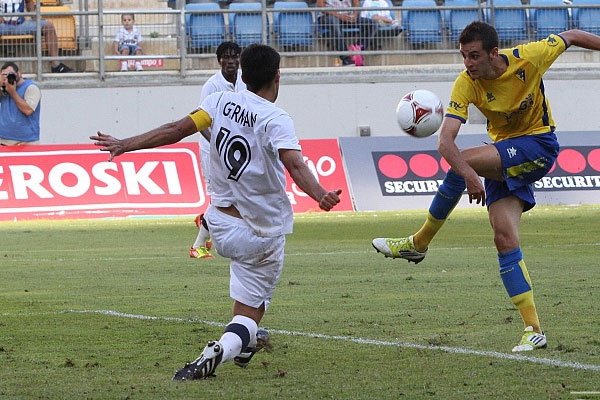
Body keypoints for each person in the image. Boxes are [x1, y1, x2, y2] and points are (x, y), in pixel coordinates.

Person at [90, 44, 342, 380]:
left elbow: (175, 130)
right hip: (260, 234)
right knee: (253, 311)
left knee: (246, 310)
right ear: (277, 76)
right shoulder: (275, 118)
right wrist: (320, 194)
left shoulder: (219, 102)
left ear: (242, 74)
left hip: (220, 226)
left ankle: (246, 343)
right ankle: (223, 349)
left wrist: (125, 144)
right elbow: (294, 163)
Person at [372, 21, 600, 352]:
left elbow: (574, 35)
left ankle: (419, 242)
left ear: (494, 53)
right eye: (463, 56)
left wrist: (467, 171)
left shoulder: (531, 57)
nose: (468, 63)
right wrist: (467, 174)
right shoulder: (467, 83)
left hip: (538, 145)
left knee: (464, 160)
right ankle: (533, 330)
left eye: (474, 56)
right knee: (504, 237)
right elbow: (445, 141)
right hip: (503, 155)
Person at [190, 41, 246, 260]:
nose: (231, 61)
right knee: (220, 197)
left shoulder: (244, 82)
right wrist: (218, 144)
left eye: (235, 57)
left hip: (235, 151)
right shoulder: (212, 85)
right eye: (226, 57)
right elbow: (200, 120)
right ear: (219, 60)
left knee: (232, 196)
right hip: (213, 151)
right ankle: (197, 245)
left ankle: (205, 222)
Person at [0, 0, 72, 73]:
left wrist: (34, 16)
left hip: (20, 24)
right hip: (2, 25)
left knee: (48, 25)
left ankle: (56, 65)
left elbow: (29, 2)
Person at [317, 0, 377, 66]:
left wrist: (355, 15)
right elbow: (321, 6)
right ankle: (346, 58)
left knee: (372, 24)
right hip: (329, 16)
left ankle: (356, 51)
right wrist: (339, 16)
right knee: (335, 23)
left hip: (347, 16)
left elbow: (356, 4)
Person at [0, 62, 41, 145]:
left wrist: (13, 92)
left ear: (18, 73)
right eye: (4, 75)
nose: (7, 78)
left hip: (27, 141)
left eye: (10, 75)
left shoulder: (31, 87)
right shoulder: (3, 88)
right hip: (4, 139)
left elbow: (28, 110)